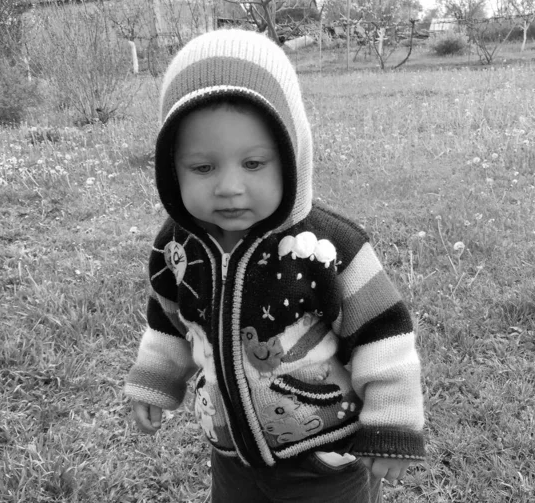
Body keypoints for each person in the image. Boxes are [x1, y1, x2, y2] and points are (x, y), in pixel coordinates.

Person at [124, 28, 425, 503]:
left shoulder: (328, 246)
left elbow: (382, 332)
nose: (228, 187)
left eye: (254, 163)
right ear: (171, 166)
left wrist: (391, 420)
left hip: (325, 458)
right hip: (232, 456)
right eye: (202, 167)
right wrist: (156, 379)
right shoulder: (177, 249)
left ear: (291, 157)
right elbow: (169, 318)